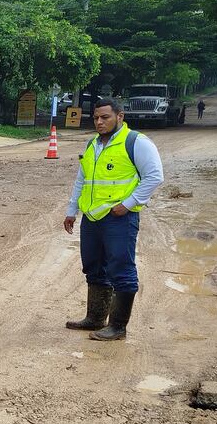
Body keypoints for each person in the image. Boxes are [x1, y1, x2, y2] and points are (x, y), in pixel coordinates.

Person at [62, 98, 164, 341]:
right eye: (96, 117)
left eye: (105, 117)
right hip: (92, 217)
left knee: (121, 269)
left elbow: (154, 176)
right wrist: (71, 210)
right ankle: (95, 318)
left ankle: (118, 326)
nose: (99, 122)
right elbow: (82, 181)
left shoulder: (136, 142)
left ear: (120, 116)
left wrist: (127, 205)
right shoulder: (92, 145)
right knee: (94, 267)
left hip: (119, 219)